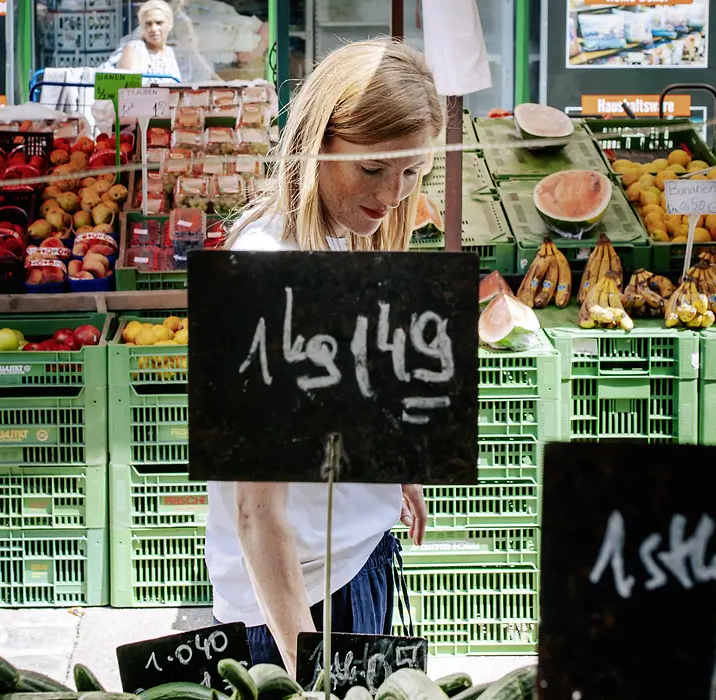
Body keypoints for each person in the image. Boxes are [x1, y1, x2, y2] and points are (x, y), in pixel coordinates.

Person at [208, 39, 444, 673]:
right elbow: (257, 516)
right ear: (318, 143)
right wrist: (303, 662)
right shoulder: (266, 271)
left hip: (357, 557)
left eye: (413, 172)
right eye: (373, 169)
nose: (395, 194)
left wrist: (392, 468)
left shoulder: (338, 236)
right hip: (300, 600)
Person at [110, 0, 185, 81]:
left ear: (170, 24)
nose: (153, 29)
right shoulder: (134, 49)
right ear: (141, 25)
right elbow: (130, 90)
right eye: (148, 24)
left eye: (159, 23)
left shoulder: (170, 52)